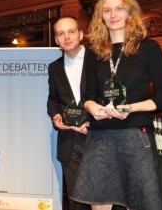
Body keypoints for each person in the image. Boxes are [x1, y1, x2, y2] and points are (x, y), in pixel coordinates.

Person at [71, 0, 162, 210]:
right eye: (107, 10)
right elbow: (87, 97)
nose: (113, 14)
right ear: (101, 16)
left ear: (130, 12)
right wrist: (93, 107)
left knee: (137, 203)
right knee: (99, 204)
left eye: (119, 8)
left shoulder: (148, 48)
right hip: (100, 137)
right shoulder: (95, 53)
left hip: (135, 135)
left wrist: (131, 108)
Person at [47, 15, 93, 210]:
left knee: (102, 199)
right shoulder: (54, 67)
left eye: (71, 31)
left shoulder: (98, 60)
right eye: (61, 33)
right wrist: (55, 116)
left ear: (81, 34)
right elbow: (53, 100)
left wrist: (93, 121)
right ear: (56, 40)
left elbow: (108, 97)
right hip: (69, 142)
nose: (66, 37)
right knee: (76, 202)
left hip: (98, 138)